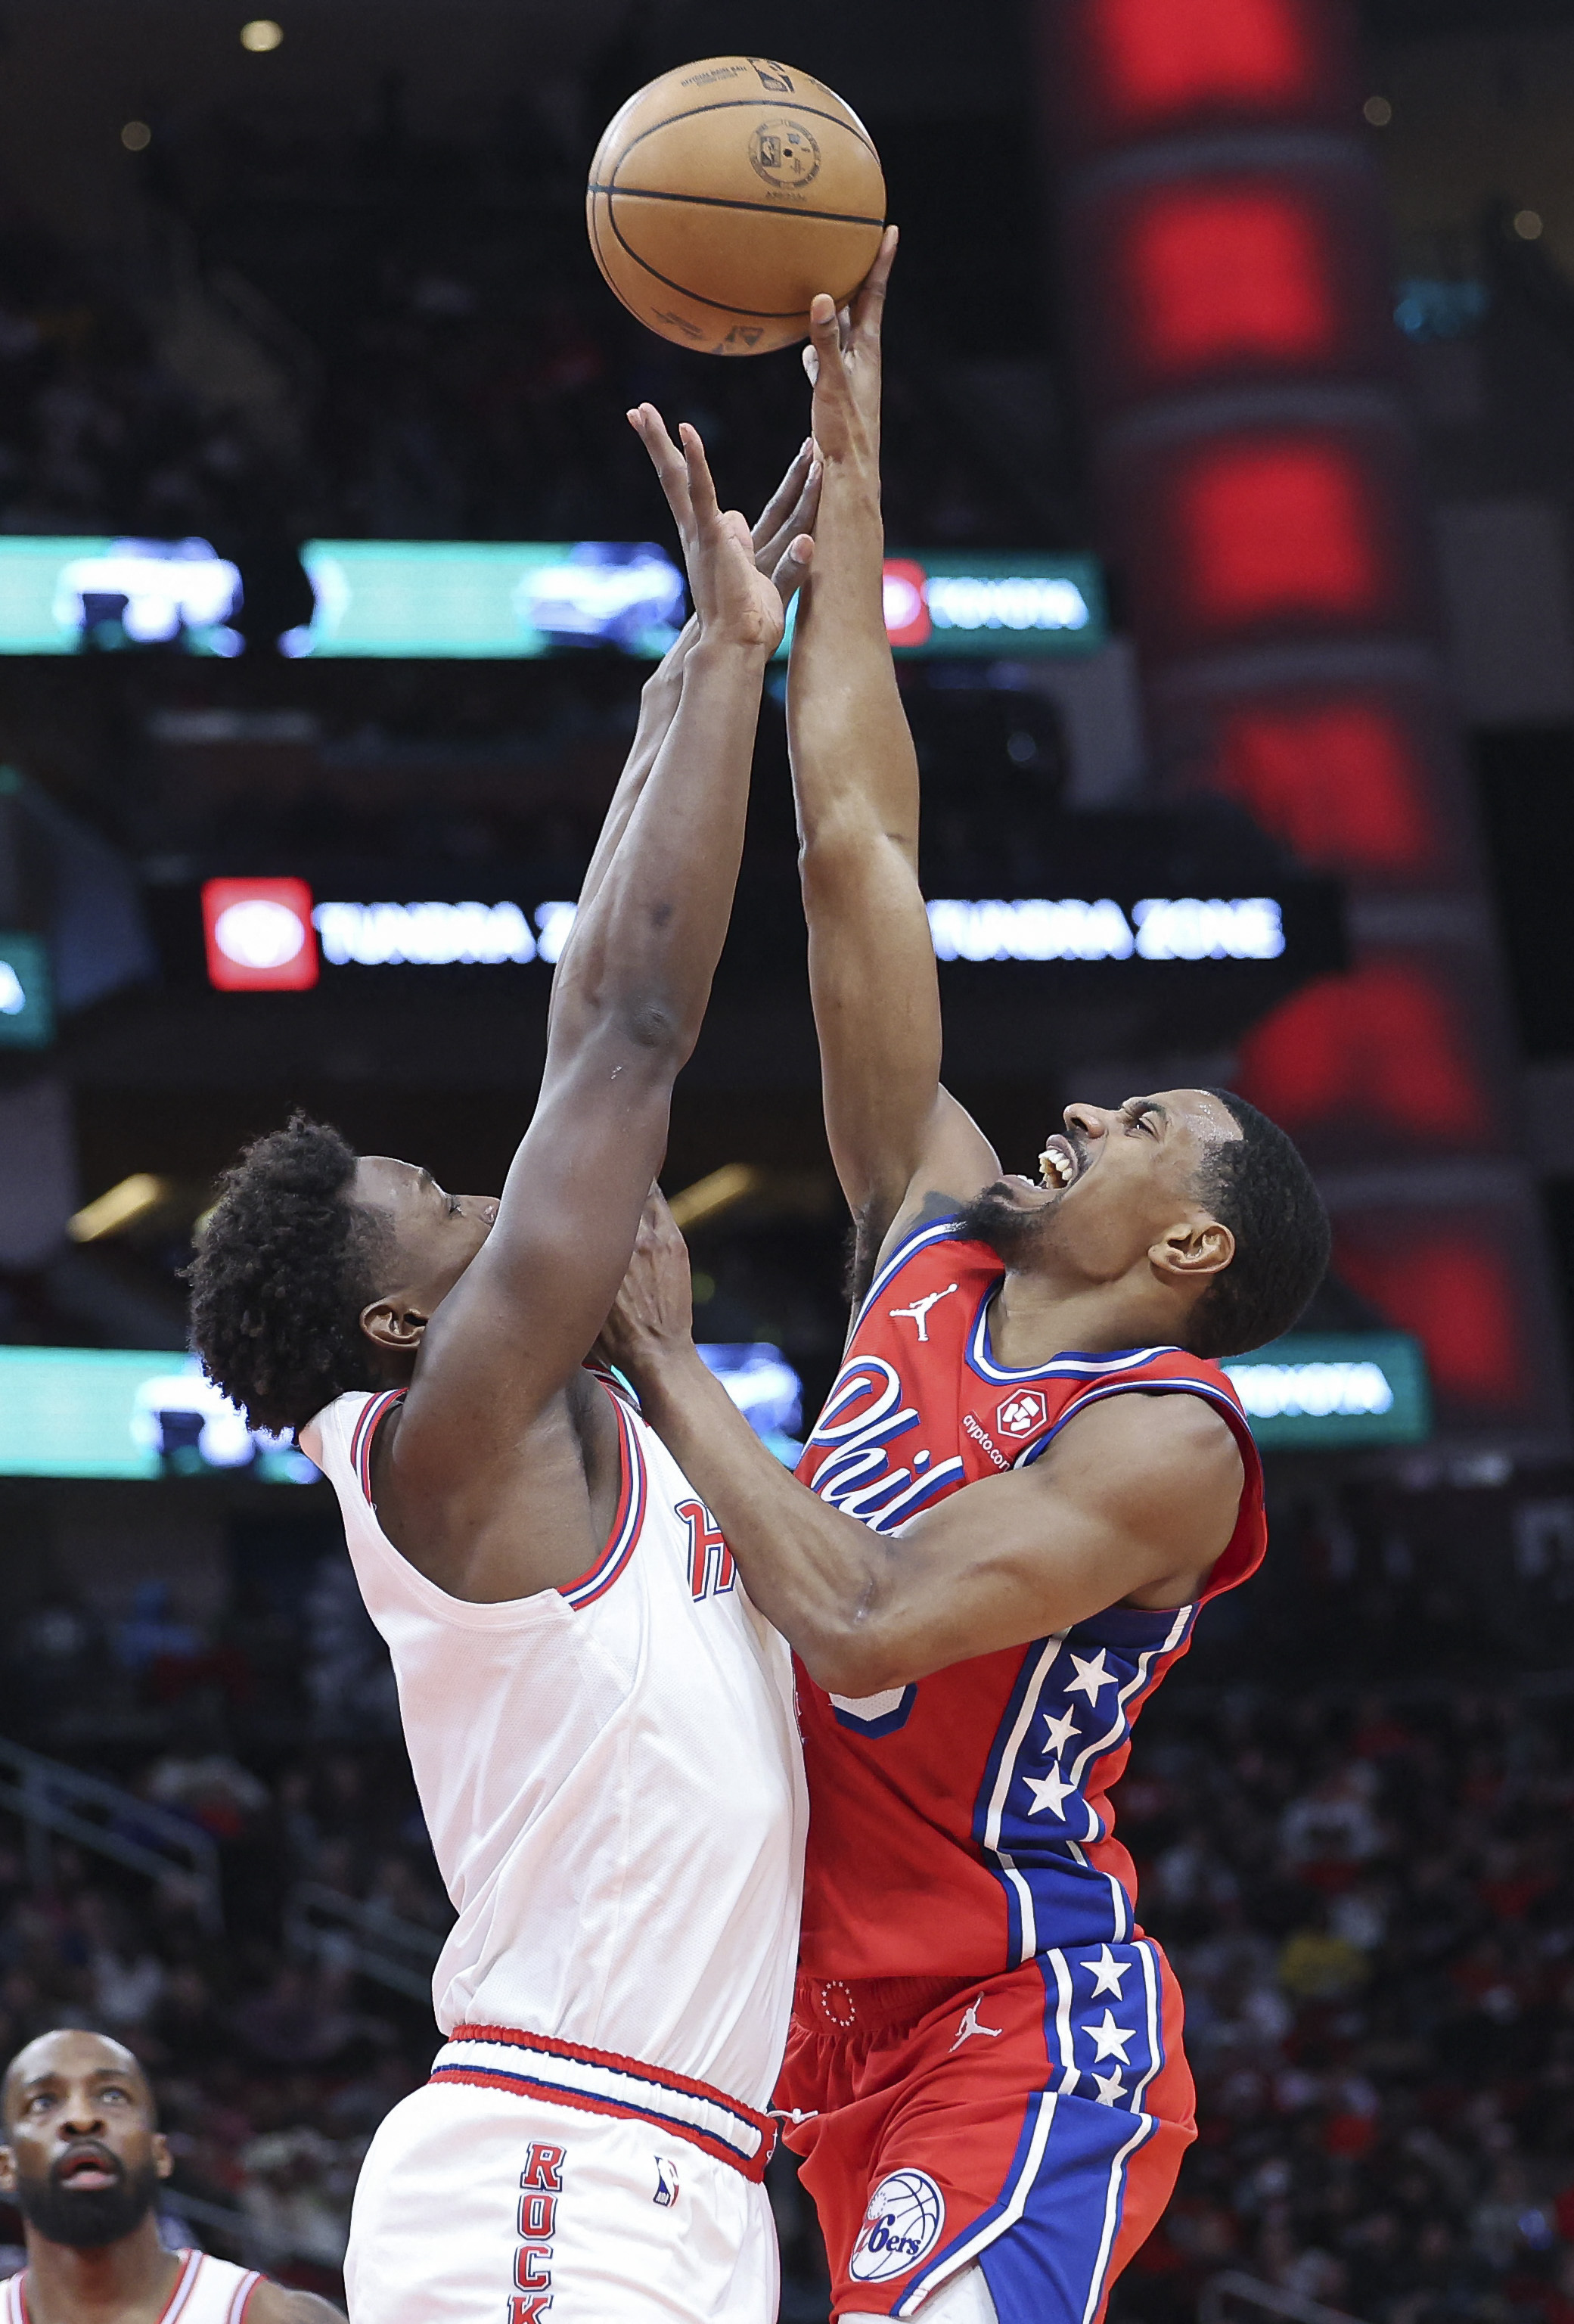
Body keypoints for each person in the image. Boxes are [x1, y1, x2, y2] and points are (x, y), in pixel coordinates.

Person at [599, 234, 1333, 2324]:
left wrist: (668, 1363)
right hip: (799, 2030)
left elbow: (862, 1615)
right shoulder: (928, 1219)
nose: (1084, 1117)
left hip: (1015, 2019)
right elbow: (858, 843)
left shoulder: (1168, 1440)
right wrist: (848, 488)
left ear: (1188, 1250)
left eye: (1143, 1132)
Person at [187, 415, 817, 2323]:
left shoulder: (592, 1417)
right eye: (444, 1206)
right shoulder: (426, 1451)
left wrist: (675, 677)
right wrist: (727, 664)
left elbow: (572, 1009)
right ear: (398, 1328)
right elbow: (629, 1026)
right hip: (560, 2155)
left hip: (687, 2167)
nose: (493, 1194)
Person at [0, 2027, 341, 2323]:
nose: (81, 2119)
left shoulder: (272, 2316)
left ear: (161, 2154)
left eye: (112, 2096)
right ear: (5, 2168)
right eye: (43, 2102)